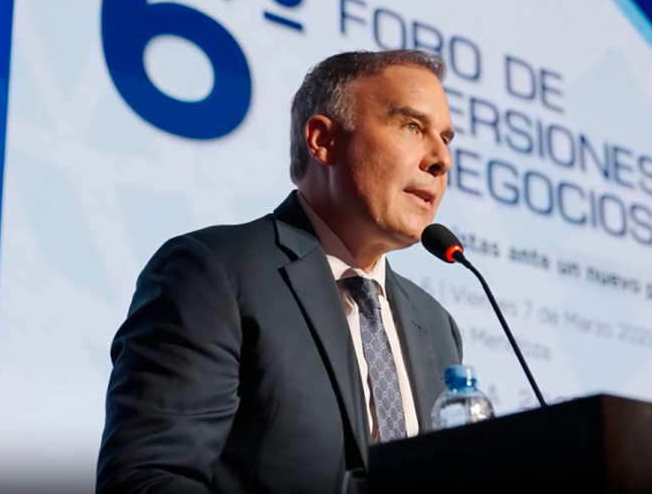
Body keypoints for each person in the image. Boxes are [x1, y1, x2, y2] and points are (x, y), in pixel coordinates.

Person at [96, 49, 461, 494]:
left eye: (446, 138)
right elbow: (147, 478)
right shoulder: (214, 273)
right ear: (322, 140)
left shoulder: (436, 325)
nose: (441, 159)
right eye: (411, 127)